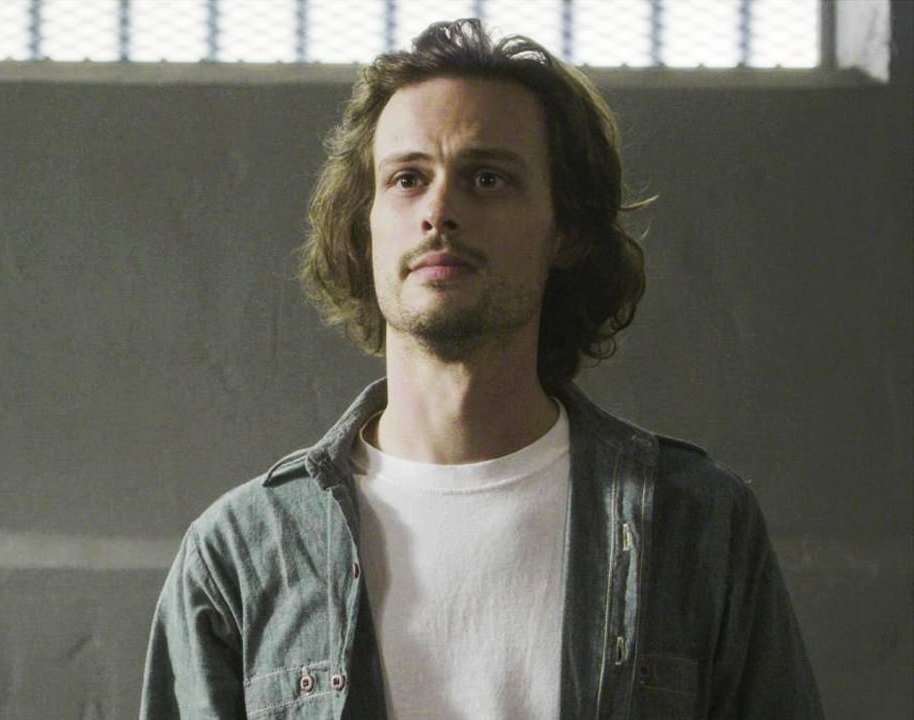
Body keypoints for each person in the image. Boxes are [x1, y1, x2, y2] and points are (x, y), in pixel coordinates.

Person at [140, 18, 822, 720]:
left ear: (565, 228)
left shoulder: (694, 525)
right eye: (407, 179)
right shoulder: (243, 553)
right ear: (365, 226)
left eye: (487, 178)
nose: (439, 210)